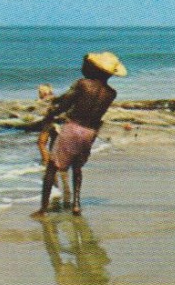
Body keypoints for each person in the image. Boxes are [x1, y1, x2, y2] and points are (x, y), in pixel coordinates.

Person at [33, 52, 126, 217]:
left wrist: (50, 115)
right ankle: (76, 204)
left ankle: (43, 209)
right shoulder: (111, 93)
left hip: (73, 127)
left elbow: (65, 103)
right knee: (77, 168)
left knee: (52, 168)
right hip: (90, 132)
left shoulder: (83, 84)